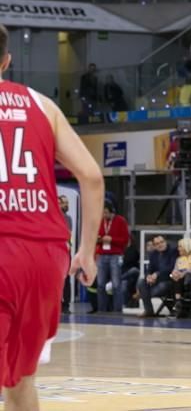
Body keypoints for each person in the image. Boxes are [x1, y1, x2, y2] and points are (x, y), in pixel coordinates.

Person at [0, 24, 104, 408]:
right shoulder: (43, 105)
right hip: (46, 255)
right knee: (20, 380)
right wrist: (87, 252)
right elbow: (91, 176)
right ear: (7, 61)